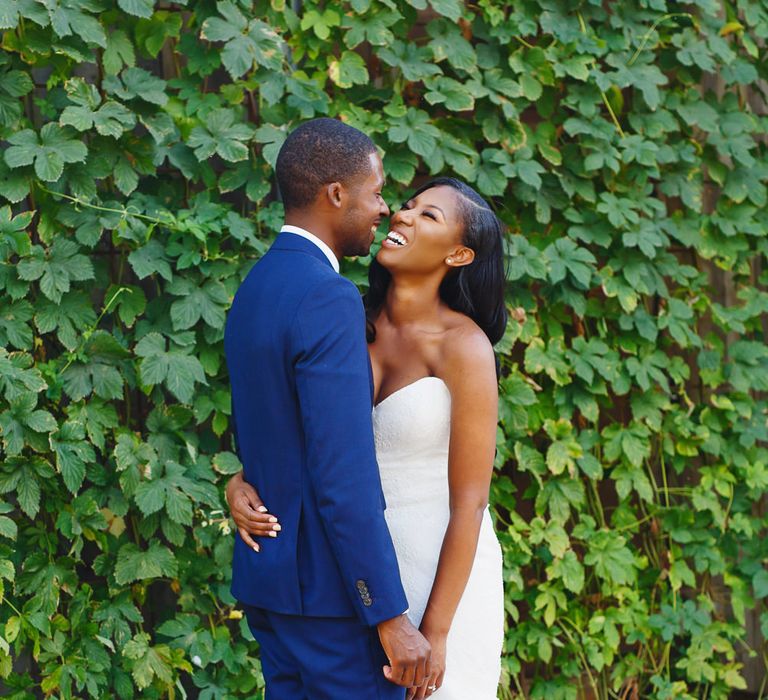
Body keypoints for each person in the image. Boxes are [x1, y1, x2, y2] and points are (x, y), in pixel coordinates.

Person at [227, 173, 508, 699]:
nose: (401, 215)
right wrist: (241, 481)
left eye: (429, 215)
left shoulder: (464, 347)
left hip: (436, 573)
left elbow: (470, 503)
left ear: (459, 256)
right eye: (406, 205)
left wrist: (437, 632)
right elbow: (315, 438)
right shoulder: (344, 318)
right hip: (356, 572)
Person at [223, 117, 432, 700]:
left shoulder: (256, 287)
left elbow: (265, 431)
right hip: (331, 605)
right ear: (336, 194)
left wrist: (236, 480)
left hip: (272, 590)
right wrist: (387, 614)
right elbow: (342, 474)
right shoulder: (327, 295)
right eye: (377, 191)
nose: (383, 208)